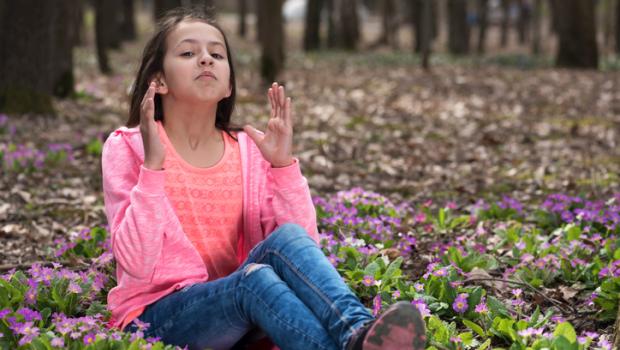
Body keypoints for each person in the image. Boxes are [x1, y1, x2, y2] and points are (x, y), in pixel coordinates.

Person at [101, 7, 426, 350]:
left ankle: (357, 334)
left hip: (240, 308)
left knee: (284, 241)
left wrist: (282, 166)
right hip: (158, 318)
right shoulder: (129, 147)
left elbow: (303, 251)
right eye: (187, 52)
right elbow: (136, 264)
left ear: (228, 85)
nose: (205, 60)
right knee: (252, 280)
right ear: (159, 80)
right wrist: (152, 168)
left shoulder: (247, 150)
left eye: (217, 54)